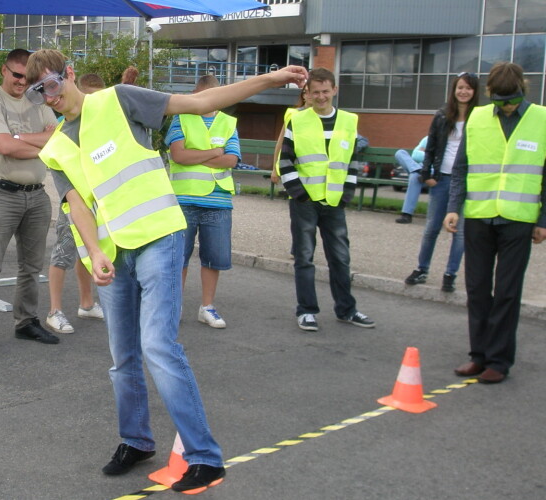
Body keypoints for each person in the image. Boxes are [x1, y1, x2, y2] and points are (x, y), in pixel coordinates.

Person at [27, 48, 307, 492]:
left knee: (158, 345)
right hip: (113, 256)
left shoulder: (119, 99)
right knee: (123, 360)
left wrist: (270, 80)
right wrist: (97, 251)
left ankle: (204, 457)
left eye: (52, 84)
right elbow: (75, 202)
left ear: (70, 74)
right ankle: (135, 441)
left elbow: (199, 104)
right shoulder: (57, 144)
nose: (49, 96)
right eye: (37, 90)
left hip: (158, 236)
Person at [444, 62, 546, 385]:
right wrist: (453, 208)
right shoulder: (476, 118)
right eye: (501, 101)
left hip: (518, 219)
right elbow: (460, 168)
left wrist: (543, 219)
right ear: (490, 95)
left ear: (523, 90)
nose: (507, 107)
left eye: (512, 100)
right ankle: (479, 355)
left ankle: (499, 361)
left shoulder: (541, 119)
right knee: (476, 289)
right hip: (479, 216)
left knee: (506, 291)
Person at [0, 49, 60, 358]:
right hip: (0, 194)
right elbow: (5, 146)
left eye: (29, 77)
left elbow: (60, 140)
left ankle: (26, 322)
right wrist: (34, 140)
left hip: (36, 194)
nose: (23, 81)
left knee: (31, 267)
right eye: (17, 75)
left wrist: (20, 140)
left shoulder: (40, 103)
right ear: (4, 72)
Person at [278, 68, 374, 333]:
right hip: (304, 201)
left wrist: (347, 195)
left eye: (325, 91)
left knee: (341, 258)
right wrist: (300, 193)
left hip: (334, 201)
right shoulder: (297, 120)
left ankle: (347, 309)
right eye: (315, 92)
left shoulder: (348, 121)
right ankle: (307, 311)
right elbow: (285, 160)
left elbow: (353, 161)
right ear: (307, 93)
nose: (321, 97)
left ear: (334, 90)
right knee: (304, 257)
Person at [166, 74, 240, 329]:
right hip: (184, 199)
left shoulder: (229, 123)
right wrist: (213, 153)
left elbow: (231, 160)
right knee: (178, 258)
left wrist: (195, 156)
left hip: (218, 201)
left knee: (214, 258)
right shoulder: (181, 118)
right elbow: (178, 155)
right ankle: (174, 307)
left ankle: (207, 307)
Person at [403, 72, 479, 292]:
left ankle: (450, 273)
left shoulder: (479, 117)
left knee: (461, 232)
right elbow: (432, 146)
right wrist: (426, 174)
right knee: (431, 228)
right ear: (454, 90)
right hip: (443, 178)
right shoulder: (442, 115)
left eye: (468, 88)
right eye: (460, 87)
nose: (463, 92)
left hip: (467, 181)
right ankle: (422, 268)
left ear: (474, 92)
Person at [44, 73, 106, 335]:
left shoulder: (102, 120)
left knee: (88, 251)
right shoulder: (65, 124)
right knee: (64, 253)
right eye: (90, 97)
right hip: (73, 199)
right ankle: (54, 311)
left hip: (99, 198)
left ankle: (87, 303)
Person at [393, 137, 428, 224]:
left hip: (431, 173)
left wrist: (424, 153)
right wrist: (430, 155)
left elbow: (441, 160)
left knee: (415, 177)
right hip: (419, 169)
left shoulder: (447, 141)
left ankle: (406, 215)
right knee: (400, 153)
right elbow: (415, 155)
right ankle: (417, 169)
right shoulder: (428, 139)